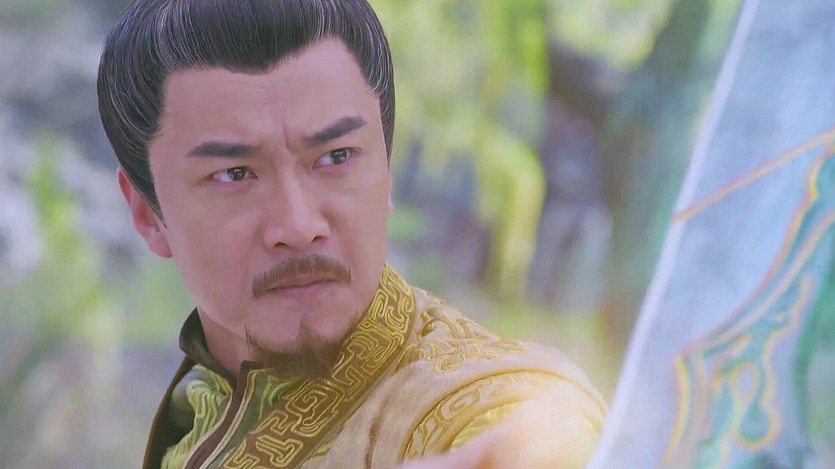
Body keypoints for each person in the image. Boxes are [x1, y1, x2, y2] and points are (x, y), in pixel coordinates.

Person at [97, 0, 606, 467]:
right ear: (147, 214)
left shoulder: (486, 407)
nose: (298, 227)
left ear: (386, 170)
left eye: (336, 157)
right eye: (234, 175)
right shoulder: (197, 402)